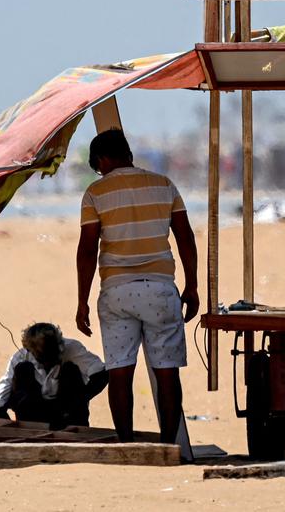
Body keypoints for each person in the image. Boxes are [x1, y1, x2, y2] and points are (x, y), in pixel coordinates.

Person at [75, 129, 200, 443]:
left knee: (120, 371)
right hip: (160, 290)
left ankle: (127, 443)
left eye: (97, 166)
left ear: (103, 159)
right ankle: (169, 445)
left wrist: (82, 301)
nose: (99, 172)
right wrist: (193, 286)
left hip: (117, 292)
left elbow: (88, 249)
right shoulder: (164, 185)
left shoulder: (95, 193)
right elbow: (185, 237)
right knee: (167, 372)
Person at [0, 323, 108, 428]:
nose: (49, 362)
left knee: (70, 369)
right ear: (31, 352)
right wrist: (13, 430)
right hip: (34, 418)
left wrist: (77, 401)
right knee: (23, 369)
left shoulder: (71, 348)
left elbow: (101, 374)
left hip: (67, 415)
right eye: (44, 358)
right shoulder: (20, 357)